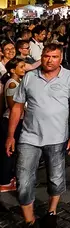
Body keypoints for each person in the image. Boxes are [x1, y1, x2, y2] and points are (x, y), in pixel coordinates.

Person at [5, 44, 70, 228]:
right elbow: (17, 107)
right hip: (29, 137)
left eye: (54, 56)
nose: (50, 60)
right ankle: (29, 221)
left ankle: (51, 211)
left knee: (55, 178)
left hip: (57, 138)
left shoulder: (69, 77)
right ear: (42, 57)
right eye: (47, 56)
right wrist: (10, 135)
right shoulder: (30, 77)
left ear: (61, 58)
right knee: (23, 180)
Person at [1, 58, 26, 193]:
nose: (24, 69)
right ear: (12, 70)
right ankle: (5, 181)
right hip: (12, 121)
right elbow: (13, 106)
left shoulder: (18, 82)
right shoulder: (12, 84)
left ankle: (9, 177)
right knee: (9, 151)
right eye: (21, 67)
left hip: (17, 120)